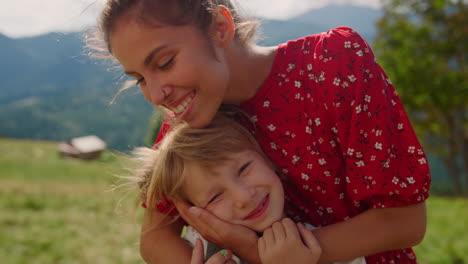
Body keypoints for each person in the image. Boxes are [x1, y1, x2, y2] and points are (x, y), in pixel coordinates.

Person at [89, 0, 431, 263]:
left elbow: (405, 222)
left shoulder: (331, 64)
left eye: (164, 63)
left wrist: (261, 253)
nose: (155, 94)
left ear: (219, 28)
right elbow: (155, 239)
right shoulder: (188, 122)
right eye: (139, 79)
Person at [132, 113, 366, 264]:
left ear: (267, 157)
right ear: (192, 213)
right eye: (215, 197)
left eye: (244, 168)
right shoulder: (198, 254)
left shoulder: (324, 242)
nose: (243, 197)